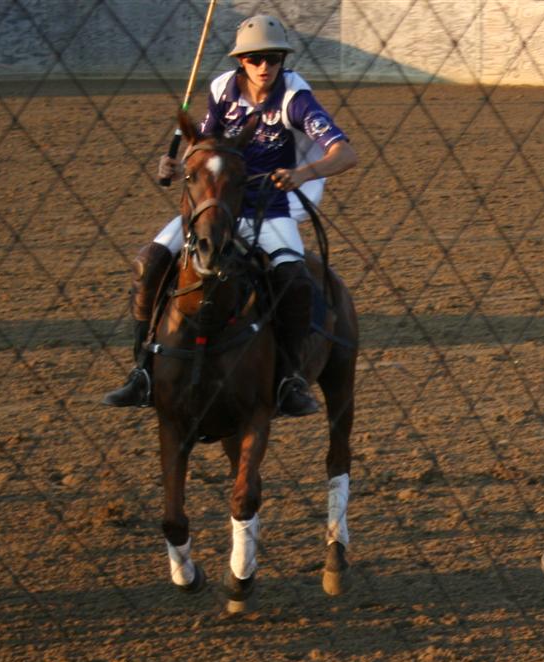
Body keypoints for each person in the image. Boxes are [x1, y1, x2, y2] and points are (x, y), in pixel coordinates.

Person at [104, 14, 358, 415]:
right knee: (149, 261)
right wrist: (176, 165)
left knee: (293, 279)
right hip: (213, 206)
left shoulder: (295, 98)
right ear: (241, 60)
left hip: (267, 206)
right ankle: (142, 370)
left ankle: (290, 377)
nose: (265, 67)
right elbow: (203, 144)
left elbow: (345, 153)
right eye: (255, 58)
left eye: (273, 58)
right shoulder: (223, 89)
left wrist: (302, 173)